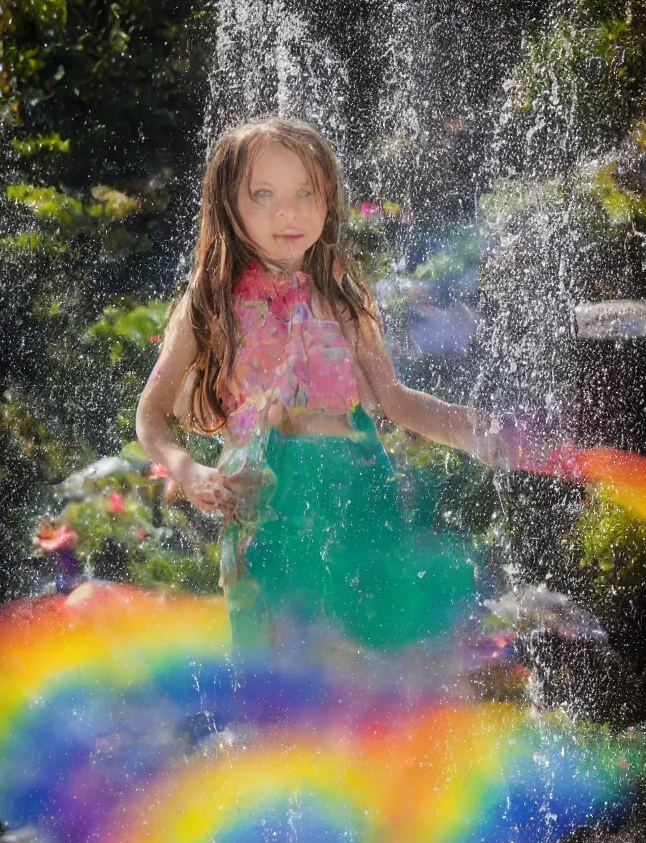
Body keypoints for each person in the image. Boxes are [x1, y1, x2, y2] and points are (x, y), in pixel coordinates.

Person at [135, 117, 540, 652]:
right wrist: (187, 470)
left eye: (307, 192)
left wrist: (475, 432)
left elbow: (395, 399)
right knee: (277, 668)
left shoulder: (345, 300)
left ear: (328, 200)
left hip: (355, 491)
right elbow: (151, 414)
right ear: (228, 207)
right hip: (264, 503)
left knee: (365, 660)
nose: (290, 211)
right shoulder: (211, 303)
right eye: (264, 194)